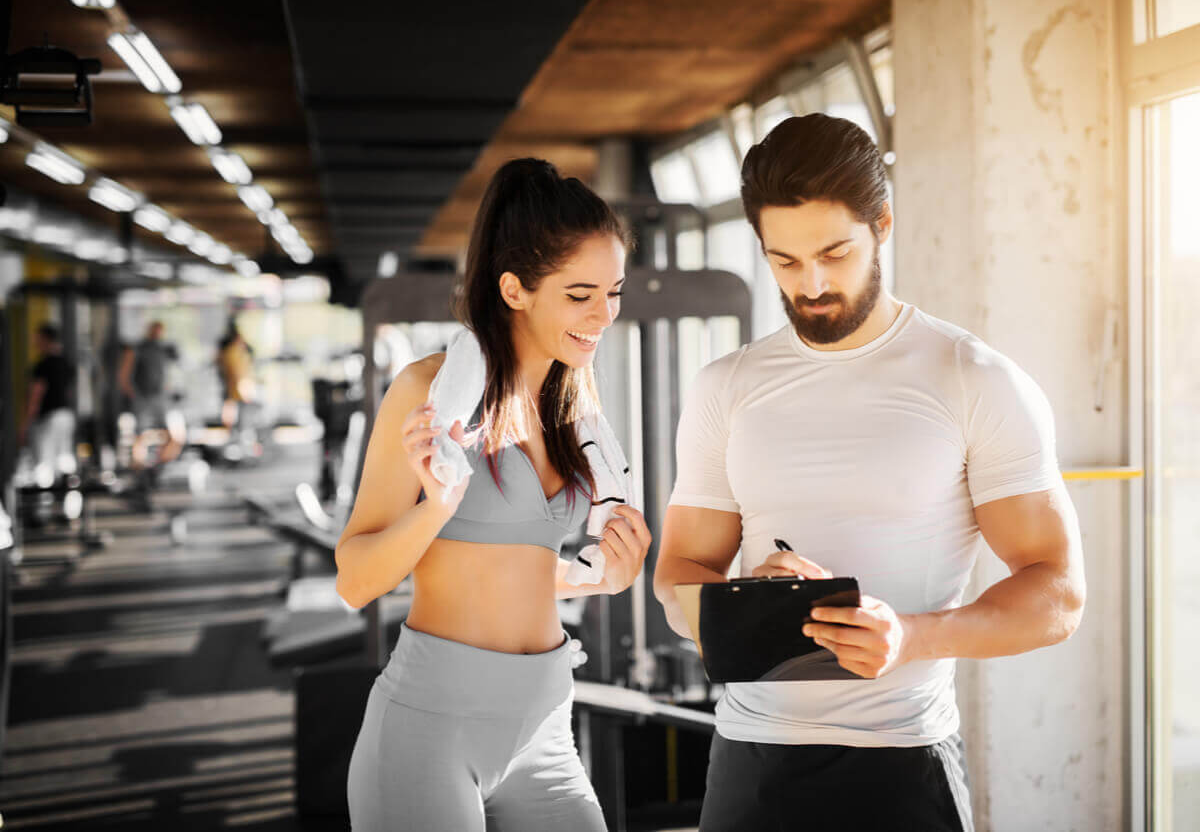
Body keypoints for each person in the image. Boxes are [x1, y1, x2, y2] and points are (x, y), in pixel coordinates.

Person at [653, 114, 1086, 832]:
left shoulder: (973, 378)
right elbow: (679, 575)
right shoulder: (724, 386)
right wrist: (742, 601)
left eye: (834, 252)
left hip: (901, 762)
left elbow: (1059, 596)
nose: (812, 283)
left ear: (882, 224)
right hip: (749, 762)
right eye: (785, 262)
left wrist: (912, 637)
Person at [336, 158, 652, 832]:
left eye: (613, 292)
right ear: (514, 288)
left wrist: (602, 577)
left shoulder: (572, 406)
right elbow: (355, 580)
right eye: (580, 294)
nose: (604, 315)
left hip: (544, 728)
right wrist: (436, 509)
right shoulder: (426, 393)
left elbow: (513, 567)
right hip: (430, 727)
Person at [118, 321, 183, 468]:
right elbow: (124, 374)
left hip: (159, 397)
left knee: (171, 435)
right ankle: (139, 467)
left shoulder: (161, 350)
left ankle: (160, 465)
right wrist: (133, 394)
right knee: (140, 434)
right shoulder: (138, 349)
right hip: (142, 397)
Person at [20, 323, 76, 484]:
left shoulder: (43, 365)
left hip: (49, 417)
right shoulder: (65, 362)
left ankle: (46, 500)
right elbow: (69, 391)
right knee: (64, 458)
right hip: (66, 415)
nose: (34, 342)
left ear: (45, 339)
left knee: (45, 461)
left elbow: (36, 395)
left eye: (37, 339)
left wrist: (26, 423)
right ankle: (69, 497)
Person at [217, 322, 257, 441]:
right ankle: (234, 435)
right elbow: (236, 371)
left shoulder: (235, 352)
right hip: (235, 386)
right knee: (234, 410)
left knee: (237, 411)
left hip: (236, 386)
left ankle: (237, 435)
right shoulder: (232, 352)